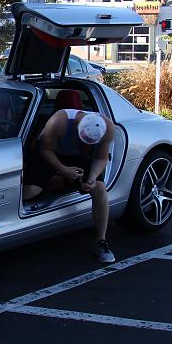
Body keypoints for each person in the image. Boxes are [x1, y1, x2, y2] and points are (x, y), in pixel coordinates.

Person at [23, 108, 115, 263]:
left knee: (99, 188)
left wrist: (92, 177)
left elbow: (101, 158)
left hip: (76, 156)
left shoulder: (107, 128)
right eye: (81, 140)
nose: (84, 145)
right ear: (78, 125)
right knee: (31, 191)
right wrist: (64, 170)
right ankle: (59, 180)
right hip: (52, 152)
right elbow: (45, 150)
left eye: (88, 144)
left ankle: (101, 242)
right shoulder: (58, 122)